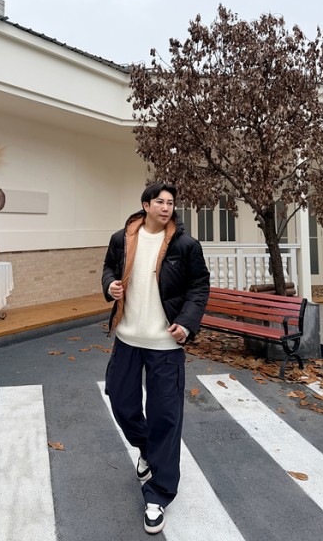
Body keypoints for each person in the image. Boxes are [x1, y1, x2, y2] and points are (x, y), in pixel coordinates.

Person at [101, 181, 210, 535]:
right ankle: (147, 448)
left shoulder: (186, 245)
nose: (166, 207)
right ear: (146, 205)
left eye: (171, 202)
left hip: (166, 344)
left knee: (165, 417)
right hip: (128, 338)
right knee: (121, 402)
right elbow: (108, 269)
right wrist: (110, 286)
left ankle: (158, 494)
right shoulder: (122, 239)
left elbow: (199, 286)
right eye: (160, 201)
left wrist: (187, 323)